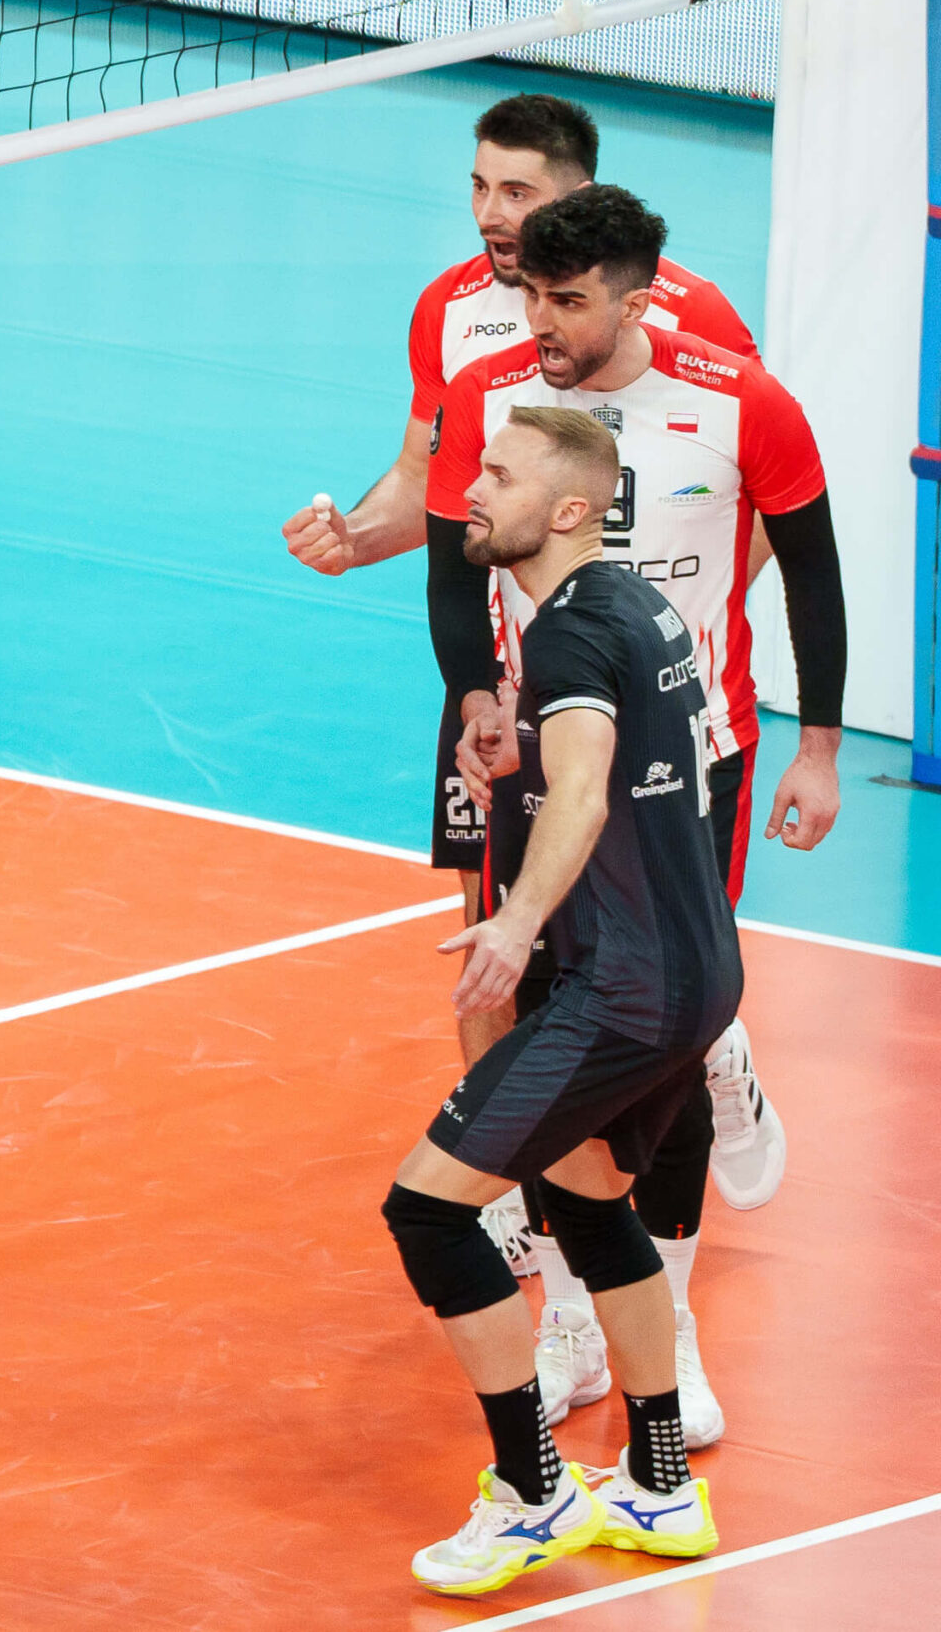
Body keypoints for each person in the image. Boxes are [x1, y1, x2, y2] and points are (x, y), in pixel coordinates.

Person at [427, 185, 844, 1450]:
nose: (540, 324)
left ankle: (673, 1320)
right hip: (542, 767)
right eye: (530, 298)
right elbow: (452, 563)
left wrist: (819, 749)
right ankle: (568, 1315)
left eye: (568, 301)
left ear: (637, 296)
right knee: (554, 1040)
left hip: (690, 770)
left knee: (656, 1054)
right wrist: (478, 697)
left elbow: (812, 569)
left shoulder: (742, 403)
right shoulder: (491, 398)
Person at [278, 94, 760, 1084]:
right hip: (506, 675)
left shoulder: (691, 311)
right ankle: (494, 1155)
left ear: (578, 197)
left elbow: (750, 486)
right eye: (479, 187)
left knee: (654, 937)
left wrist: (664, 635)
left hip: (644, 689)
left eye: (517, 192)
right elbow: (426, 482)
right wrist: (357, 538)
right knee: (493, 919)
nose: (491, 214)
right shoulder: (448, 309)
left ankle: (705, 1071)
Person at [390, 405, 734, 1596]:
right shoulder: (634, 604)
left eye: (496, 475)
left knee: (428, 1214)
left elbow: (586, 797)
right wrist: (518, 759)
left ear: (571, 508)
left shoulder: (574, 631)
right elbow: (632, 768)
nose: (471, 490)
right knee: (587, 1203)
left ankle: (533, 1494)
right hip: (693, 973)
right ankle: (658, 1483)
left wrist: (515, 919)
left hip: (619, 988)